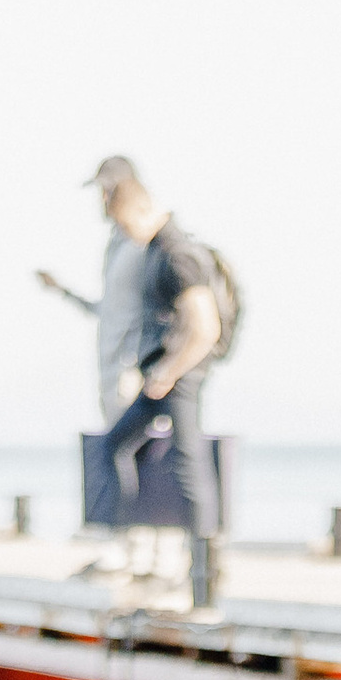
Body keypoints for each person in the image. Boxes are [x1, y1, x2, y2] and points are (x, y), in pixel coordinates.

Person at [88, 167, 224, 597]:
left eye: (127, 224)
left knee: (189, 467)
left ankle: (203, 571)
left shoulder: (177, 253)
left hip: (178, 378)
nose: (126, 233)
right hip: (158, 376)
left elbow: (206, 328)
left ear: (144, 209)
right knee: (114, 445)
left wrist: (167, 373)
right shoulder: (152, 251)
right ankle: (131, 544)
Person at [34, 149, 148, 425]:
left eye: (107, 190)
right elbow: (108, 311)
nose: (103, 200)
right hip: (110, 377)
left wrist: (144, 371)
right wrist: (62, 290)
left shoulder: (142, 245)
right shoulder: (117, 244)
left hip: (132, 379)